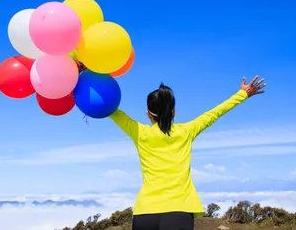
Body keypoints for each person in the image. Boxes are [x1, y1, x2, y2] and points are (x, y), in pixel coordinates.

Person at [108, 75, 266, 230]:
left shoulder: (140, 133)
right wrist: (242, 94)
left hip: (145, 212)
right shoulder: (186, 132)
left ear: (148, 114)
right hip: (179, 212)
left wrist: (86, 75)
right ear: (174, 112)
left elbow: (110, 108)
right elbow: (214, 113)